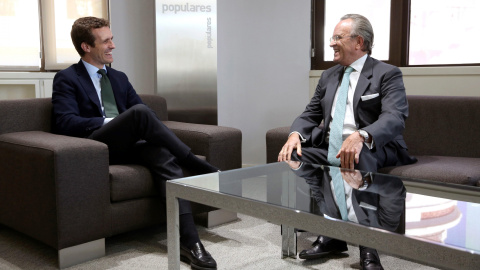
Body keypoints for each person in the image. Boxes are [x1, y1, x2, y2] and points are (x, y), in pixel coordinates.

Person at [52, 16, 217, 270]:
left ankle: (190, 243)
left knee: (163, 156)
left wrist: (130, 123)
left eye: (112, 39)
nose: (112, 46)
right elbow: (65, 122)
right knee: (138, 112)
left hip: (129, 144)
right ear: (86, 46)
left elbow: (145, 115)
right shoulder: (67, 78)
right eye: (106, 41)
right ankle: (194, 163)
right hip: (95, 148)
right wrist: (110, 121)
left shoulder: (118, 78)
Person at [278, 14, 416, 270]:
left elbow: (395, 118)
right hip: (331, 144)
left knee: (354, 157)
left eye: (337, 37)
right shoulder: (328, 76)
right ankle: (333, 234)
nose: (332, 43)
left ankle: (368, 247)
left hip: (373, 147)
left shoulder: (386, 73)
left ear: (358, 42)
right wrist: (295, 135)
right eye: (332, 37)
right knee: (296, 156)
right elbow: (310, 115)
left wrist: (361, 135)